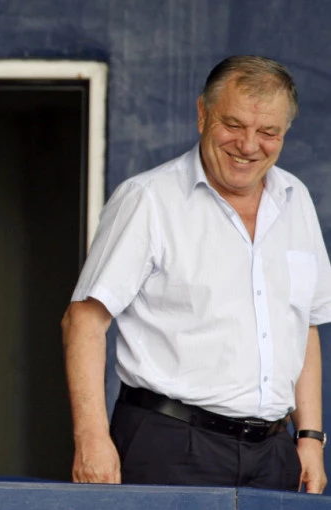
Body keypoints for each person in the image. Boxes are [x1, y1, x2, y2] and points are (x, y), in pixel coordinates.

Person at [62, 55, 331, 493]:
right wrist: (91, 438)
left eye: (268, 132)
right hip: (171, 445)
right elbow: (83, 321)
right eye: (234, 124)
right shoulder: (148, 199)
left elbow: (304, 326)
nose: (248, 145)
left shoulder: (295, 198)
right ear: (202, 113)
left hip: (274, 455)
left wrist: (310, 438)